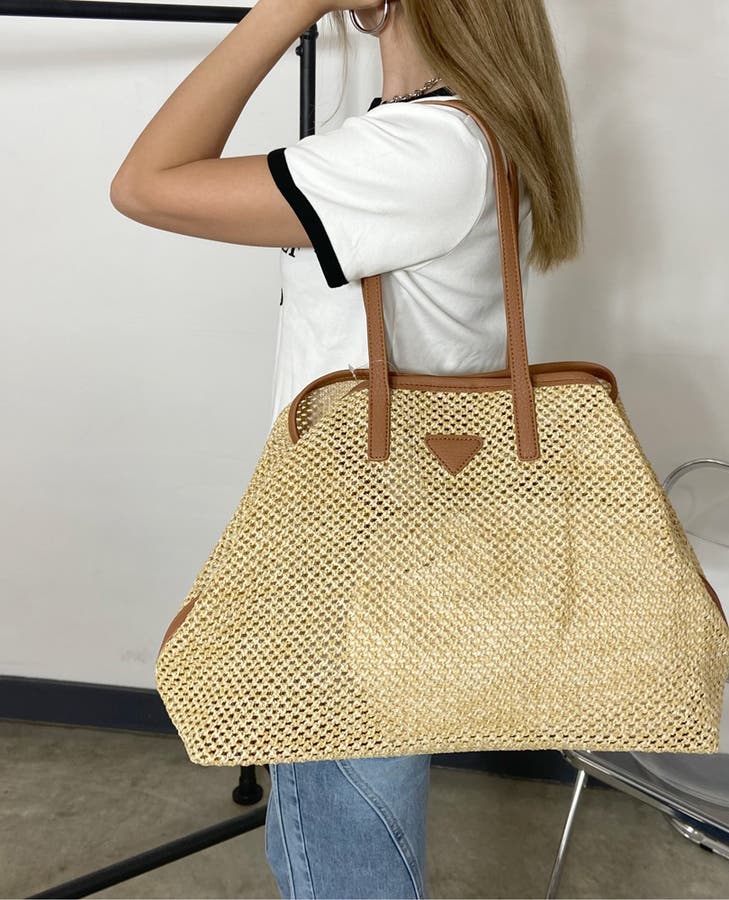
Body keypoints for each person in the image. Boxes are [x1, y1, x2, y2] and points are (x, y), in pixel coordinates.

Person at [110, 0, 582, 897]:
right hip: (402, 528)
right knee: (335, 829)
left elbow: (145, 183)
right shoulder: (450, 132)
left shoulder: (419, 153)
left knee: (343, 850)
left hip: (357, 545)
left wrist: (280, 12)